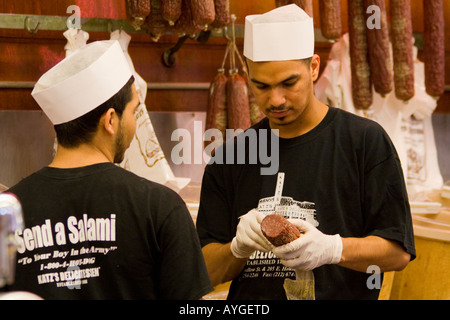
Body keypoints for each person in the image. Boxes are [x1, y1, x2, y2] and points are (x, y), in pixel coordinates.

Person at [196, 4, 416, 300]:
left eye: (289, 83)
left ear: (313, 68)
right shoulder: (230, 158)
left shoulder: (364, 142)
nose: (275, 100)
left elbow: (398, 252)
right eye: (261, 85)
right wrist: (237, 248)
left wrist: (333, 249)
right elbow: (204, 272)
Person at [4, 40, 213, 300]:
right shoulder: (159, 206)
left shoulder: (9, 213)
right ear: (111, 120)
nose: (135, 124)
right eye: (134, 112)